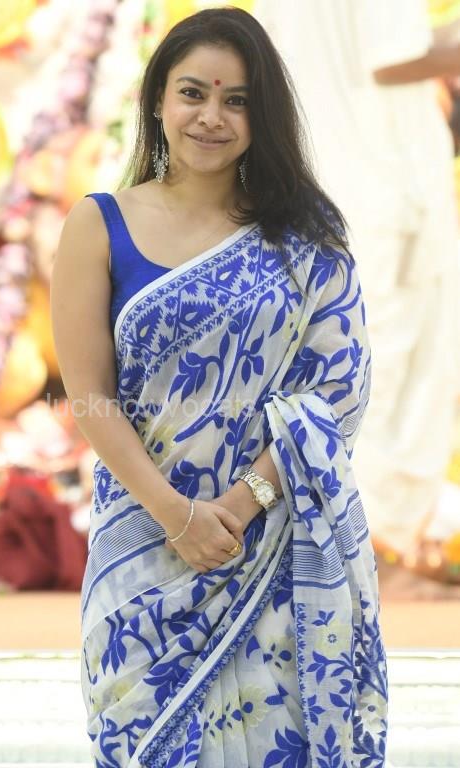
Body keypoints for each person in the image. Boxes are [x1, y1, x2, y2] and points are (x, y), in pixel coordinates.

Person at [50, 8, 388, 767]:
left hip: (274, 542)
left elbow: (338, 387)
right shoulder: (98, 224)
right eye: (192, 93)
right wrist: (176, 516)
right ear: (157, 101)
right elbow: (90, 396)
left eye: (237, 100)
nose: (211, 116)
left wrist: (239, 505)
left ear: (262, 115)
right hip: (142, 544)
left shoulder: (305, 234)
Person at [254, 0, 460, 570]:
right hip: (377, 186)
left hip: (319, 179)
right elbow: (391, 57)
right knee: (380, 368)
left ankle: (354, 550)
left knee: (335, 363)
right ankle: (369, 555)